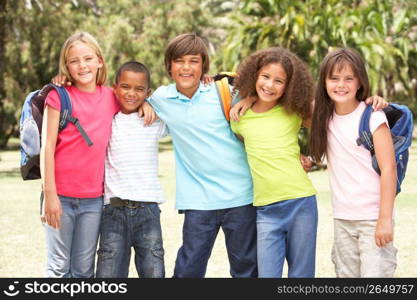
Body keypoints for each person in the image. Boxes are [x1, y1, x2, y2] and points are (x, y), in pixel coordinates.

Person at [145, 33, 257, 278]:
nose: (186, 68)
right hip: (198, 201)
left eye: (194, 61)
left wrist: (249, 97)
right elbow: (129, 97)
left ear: (203, 66)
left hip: (240, 197)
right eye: (179, 61)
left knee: (246, 271)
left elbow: (261, 98)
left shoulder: (223, 90)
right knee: (188, 270)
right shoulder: (161, 98)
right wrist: (145, 103)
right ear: (169, 66)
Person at [229, 47, 318, 278]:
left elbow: (331, 114)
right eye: (265, 77)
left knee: (302, 276)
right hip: (266, 210)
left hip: (301, 203)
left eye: (279, 81)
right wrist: (247, 97)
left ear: (290, 86)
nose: (270, 85)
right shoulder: (240, 118)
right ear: (255, 75)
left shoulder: (295, 112)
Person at [309, 48, 397, 277]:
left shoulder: (373, 116)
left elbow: (388, 169)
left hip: (372, 218)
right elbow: (280, 101)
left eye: (349, 78)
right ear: (324, 82)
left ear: (360, 82)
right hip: (342, 220)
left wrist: (385, 219)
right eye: (334, 78)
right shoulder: (322, 116)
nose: (341, 85)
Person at [40, 32, 120, 277]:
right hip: (59, 197)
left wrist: (147, 104)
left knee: (84, 270)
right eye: (74, 61)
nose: (82, 65)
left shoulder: (112, 97)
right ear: (66, 65)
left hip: (93, 200)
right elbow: (47, 148)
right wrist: (50, 196)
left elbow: (136, 97)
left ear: (100, 61)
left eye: (87, 58)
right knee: (58, 268)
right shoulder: (58, 96)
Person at [95, 61, 167, 278]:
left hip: (148, 211)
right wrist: (63, 80)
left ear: (148, 92)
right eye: (125, 87)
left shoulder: (155, 120)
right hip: (113, 212)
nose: (131, 94)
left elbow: (179, 100)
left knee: (154, 274)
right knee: (108, 278)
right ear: (114, 87)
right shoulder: (108, 118)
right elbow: (87, 93)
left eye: (139, 89)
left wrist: (151, 103)